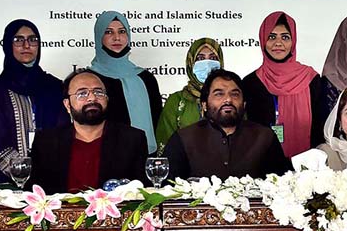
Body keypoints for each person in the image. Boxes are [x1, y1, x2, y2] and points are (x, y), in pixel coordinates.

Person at [27, 69, 148, 193]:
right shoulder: (46, 142)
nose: (92, 98)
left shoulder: (132, 139)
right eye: (82, 93)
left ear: (107, 99)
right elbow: (34, 192)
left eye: (98, 92)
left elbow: (142, 191)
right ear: (67, 105)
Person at [0, 19, 67, 184]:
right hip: (3, 184)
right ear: (7, 45)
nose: (26, 45)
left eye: (32, 40)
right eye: (18, 40)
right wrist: (23, 174)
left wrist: (45, 173)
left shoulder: (54, 86)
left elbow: (62, 133)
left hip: (49, 181)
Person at [165, 69, 291, 180]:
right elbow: (167, 190)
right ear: (204, 105)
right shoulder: (183, 139)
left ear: (244, 104)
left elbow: (283, 184)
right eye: (219, 94)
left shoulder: (265, 137)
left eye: (235, 94)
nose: (228, 99)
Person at [242, 11, 323, 158]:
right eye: (271, 37)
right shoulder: (250, 83)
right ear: (263, 40)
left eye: (285, 37)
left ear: (293, 42)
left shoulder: (311, 79)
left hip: (308, 168)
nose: (278, 43)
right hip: (262, 165)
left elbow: (320, 127)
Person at [90, 11, 162, 154]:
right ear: (99, 37)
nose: (117, 37)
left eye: (122, 31)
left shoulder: (145, 78)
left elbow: (157, 120)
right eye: (109, 32)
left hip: (144, 158)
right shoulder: (91, 79)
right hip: (104, 157)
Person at [155, 37, 223, 147]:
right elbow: (166, 143)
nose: (207, 64)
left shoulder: (230, 99)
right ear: (190, 63)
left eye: (213, 58)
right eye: (200, 58)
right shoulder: (176, 101)